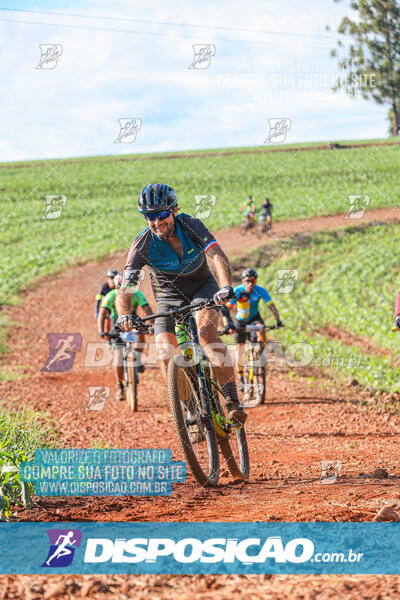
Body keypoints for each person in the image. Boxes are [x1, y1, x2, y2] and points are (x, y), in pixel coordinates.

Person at [115, 182, 246, 424]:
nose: (157, 222)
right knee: (165, 351)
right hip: (168, 298)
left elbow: (217, 255)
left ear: (174, 210)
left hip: (202, 287)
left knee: (206, 333)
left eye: (162, 214)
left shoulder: (190, 225)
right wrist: (124, 315)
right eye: (150, 217)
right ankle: (191, 411)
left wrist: (226, 285)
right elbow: (127, 287)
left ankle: (231, 400)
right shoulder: (142, 244)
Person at [224, 268, 283, 391]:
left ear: (255, 281)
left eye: (253, 280)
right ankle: (241, 377)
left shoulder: (260, 290)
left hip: (254, 318)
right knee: (240, 350)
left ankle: (261, 350)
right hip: (240, 321)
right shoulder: (237, 291)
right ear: (242, 281)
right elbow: (226, 309)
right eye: (247, 281)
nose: (250, 283)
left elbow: (271, 306)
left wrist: (277, 320)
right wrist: (228, 325)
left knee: (261, 328)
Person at [98, 273, 152, 401]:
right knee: (118, 357)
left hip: (133, 323)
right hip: (117, 327)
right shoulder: (111, 296)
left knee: (141, 337)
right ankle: (120, 387)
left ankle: (138, 359)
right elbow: (102, 314)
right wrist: (102, 331)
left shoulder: (137, 295)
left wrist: (153, 324)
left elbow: (147, 309)